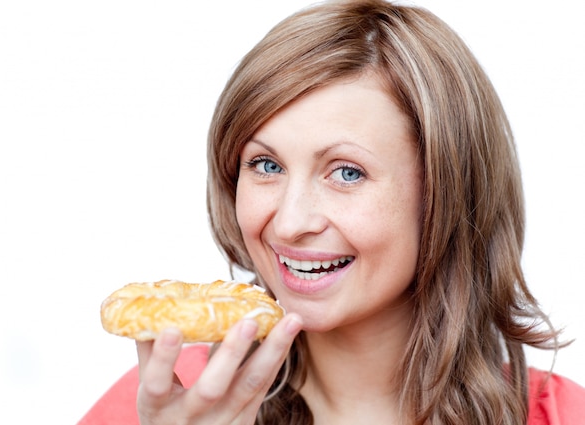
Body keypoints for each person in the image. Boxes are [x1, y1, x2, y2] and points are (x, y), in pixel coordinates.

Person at [79, 1, 585, 424]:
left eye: (346, 172)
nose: (289, 221)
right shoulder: (169, 403)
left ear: (445, 193)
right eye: (265, 164)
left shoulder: (563, 415)